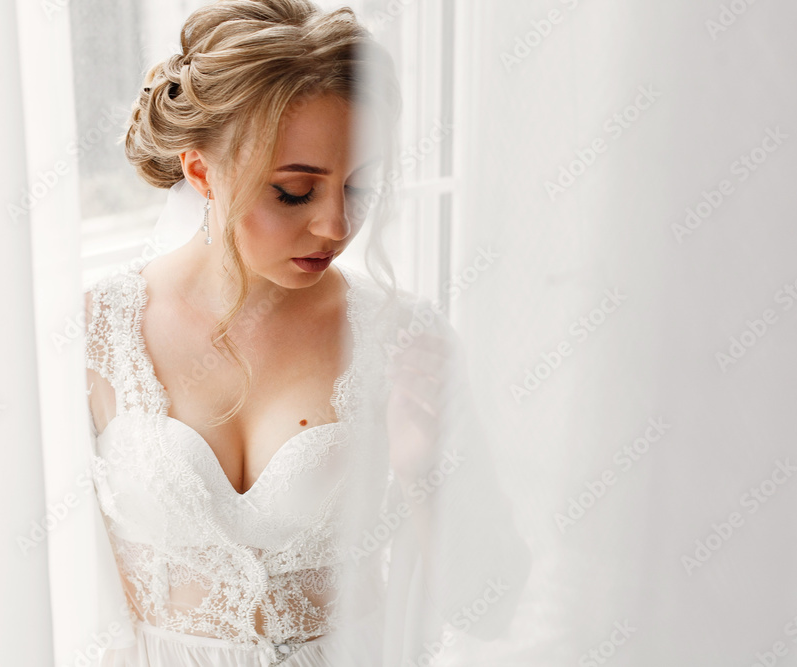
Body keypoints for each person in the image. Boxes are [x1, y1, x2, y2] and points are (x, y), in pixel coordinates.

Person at [83, 1, 531, 665]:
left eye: (361, 186)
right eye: (294, 191)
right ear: (201, 170)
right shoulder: (99, 334)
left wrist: (424, 471)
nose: (336, 226)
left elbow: (491, 606)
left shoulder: (402, 339)